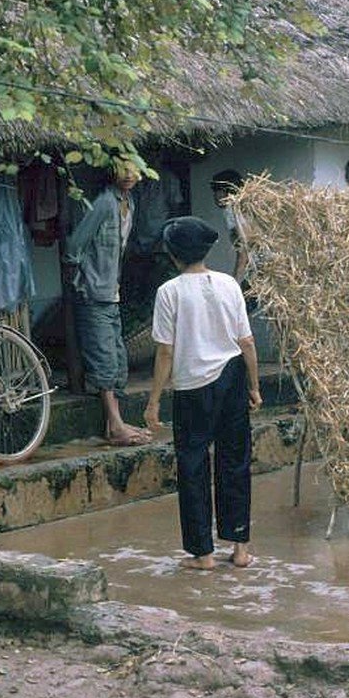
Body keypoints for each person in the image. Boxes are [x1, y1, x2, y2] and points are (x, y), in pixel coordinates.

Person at [144, 216, 262, 570]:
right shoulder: (228, 284)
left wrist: (153, 402)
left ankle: (203, 554)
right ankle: (240, 548)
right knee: (235, 461)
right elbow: (247, 342)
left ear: (173, 254)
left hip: (193, 386)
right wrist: (254, 386)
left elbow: (165, 351)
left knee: (193, 465)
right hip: (232, 377)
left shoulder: (170, 292)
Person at [64, 160, 152, 447]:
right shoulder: (103, 202)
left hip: (111, 291)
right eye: (123, 170)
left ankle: (115, 423)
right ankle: (115, 427)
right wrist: (85, 279)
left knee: (116, 357)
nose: (129, 176)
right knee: (104, 358)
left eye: (133, 171)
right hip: (95, 292)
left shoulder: (129, 202)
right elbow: (75, 245)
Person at [210, 170, 253, 287]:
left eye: (217, 190)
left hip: (258, 267)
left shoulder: (232, 210)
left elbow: (244, 246)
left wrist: (235, 282)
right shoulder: (245, 206)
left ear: (226, 192)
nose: (215, 195)